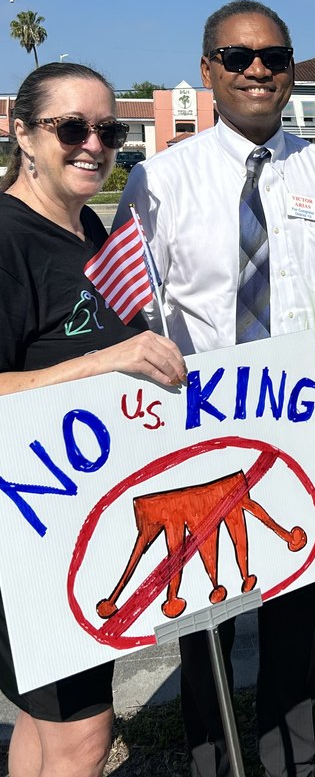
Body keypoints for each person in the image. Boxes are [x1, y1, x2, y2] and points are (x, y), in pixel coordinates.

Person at [117, 0, 315, 777]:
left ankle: (290, 757)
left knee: (296, 610)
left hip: (303, 431)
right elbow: (136, 311)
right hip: (196, 432)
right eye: (238, 56)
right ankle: (213, 757)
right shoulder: (157, 180)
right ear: (208, 71)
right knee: (204, 616)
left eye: (274, 55)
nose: (257, 68)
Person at [0, 62, 185, 777]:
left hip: (71, 519)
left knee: (45, 725)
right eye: (70, 127)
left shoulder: (86, 232)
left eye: (108, 129)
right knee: (83, 735)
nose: (93, 144)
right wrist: (103, 364)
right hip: (25, 531)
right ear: (22, 133)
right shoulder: (9, 239)